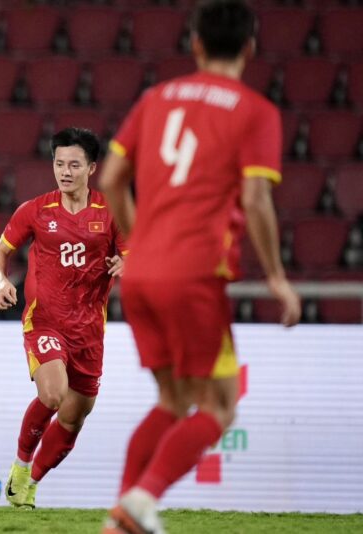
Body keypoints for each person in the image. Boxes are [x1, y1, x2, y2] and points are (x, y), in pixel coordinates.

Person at [98, 1, 301, 532]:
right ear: (250, 48)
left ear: (196, 45)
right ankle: (142, 500)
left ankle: (121, 518)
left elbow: (111, 178)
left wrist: (142, 240)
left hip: (142, 273)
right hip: (193, 275)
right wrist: (277, 278)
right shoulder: (256, 111)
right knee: (220, 406)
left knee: (173, 399)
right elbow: (255, 199)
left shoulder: (155, 98)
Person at [0, 127, 127, 509]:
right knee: (52, 393)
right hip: (45, 321)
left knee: (73, 417)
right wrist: (2, 282)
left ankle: (30, 484)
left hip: (89, 331)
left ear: (92, 168)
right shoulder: (35, 210)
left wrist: (126, 264)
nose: (65, 172)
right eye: (59, 163)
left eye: (74, 165)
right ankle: (21, 465)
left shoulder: (112, 212)